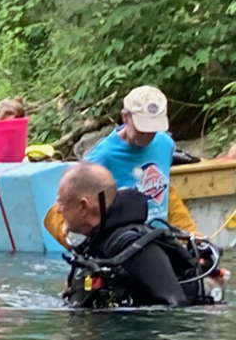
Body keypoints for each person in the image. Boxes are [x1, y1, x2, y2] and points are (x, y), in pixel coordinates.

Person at [56, 163, 219, 308]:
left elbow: (174, 308)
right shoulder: (96, 245)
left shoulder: (136, 247)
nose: (58, 210)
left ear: (83, 206)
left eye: (61, 202)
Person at [84, 85, 196, 232]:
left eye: (153, 128)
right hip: (124, 241)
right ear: (125, 117)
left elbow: (167, 192)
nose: (148, 134)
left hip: (160, 238)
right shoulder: (101, 157)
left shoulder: (165, 143)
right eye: (142, 128)